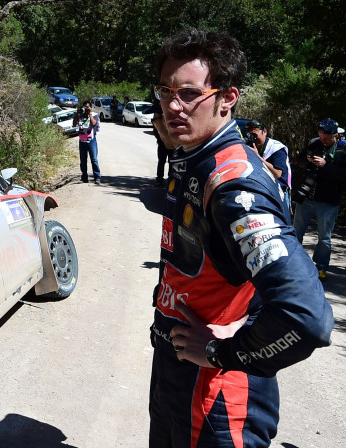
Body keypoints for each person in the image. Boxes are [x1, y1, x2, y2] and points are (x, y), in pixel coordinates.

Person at [149, 27, 333, 448]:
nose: (173, 105)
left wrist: (221, 354)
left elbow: (307, 319)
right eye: (165, 90)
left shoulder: (234, 185)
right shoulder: (193, 157)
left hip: (216, 396)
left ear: (228, 98)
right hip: (175, 374)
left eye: (190, 93)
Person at [291, 118, 346, 281]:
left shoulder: (343, 150)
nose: (324, 141)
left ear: (335, 135)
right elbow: (299, 163)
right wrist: (306, 160)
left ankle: (321, 267)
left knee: (324, 237)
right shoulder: (314, 143)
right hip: (307, 196)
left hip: (328, 201)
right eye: (321, 137)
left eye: (327, 139)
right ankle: (293, 263)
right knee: (296, 231)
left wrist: (325, 165)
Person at [244, 119, 292, 211]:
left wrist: (258, 157)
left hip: (278, 193)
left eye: (254, 135)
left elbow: (277, 174)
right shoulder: (248, 146)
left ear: (264, 132)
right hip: (260, 191)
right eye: (249, 135)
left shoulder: (276, 148)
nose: (252, 139)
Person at [72, 100, 102, 184]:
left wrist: (90, 114)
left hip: (91, 141)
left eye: (87, 107)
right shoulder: (80, 115)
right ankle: (84, 177)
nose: (86, 109)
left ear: (91, 108)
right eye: (84, 107)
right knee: (83, 160)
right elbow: (74, 124)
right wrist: (77, 114)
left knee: (94, 159)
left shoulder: (94, 115)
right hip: (82, 141)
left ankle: (97, 177)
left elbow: (93, 124)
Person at [150, 102, 175, 186]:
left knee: (171, 162)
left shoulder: (168, 117)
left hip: (172, 144)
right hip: (162, 143)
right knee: (162, 162)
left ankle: (169, 180)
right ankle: (160, 179)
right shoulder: (157, 119)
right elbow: (155, 130)